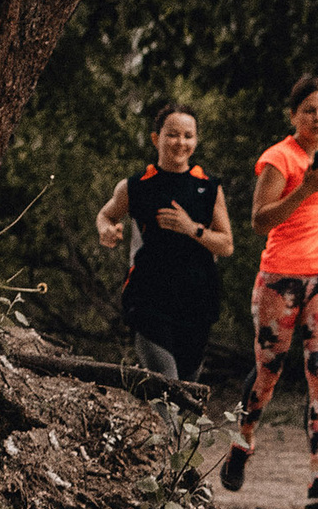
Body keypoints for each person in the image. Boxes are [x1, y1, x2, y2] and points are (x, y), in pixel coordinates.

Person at [220, 74, 318, 509]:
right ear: (293, 116)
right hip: (281, 279)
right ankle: (242, 440)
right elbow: (259, 221)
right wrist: (304, 188)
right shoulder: (279, 159)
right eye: (309, 110)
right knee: (268, 372)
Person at [95, 102, 233, 383]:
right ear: (156, 138)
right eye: (172, 134)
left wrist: (191, 228)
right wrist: (106, 231)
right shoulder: (136, 185)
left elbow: (226, 245)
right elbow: (105, 216)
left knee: (185, 392)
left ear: (196, 140)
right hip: (149, 299)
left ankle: (167, 429)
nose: (180, 142)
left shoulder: (208, 188)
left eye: (188, 135)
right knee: (165, 385)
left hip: (196, 302)